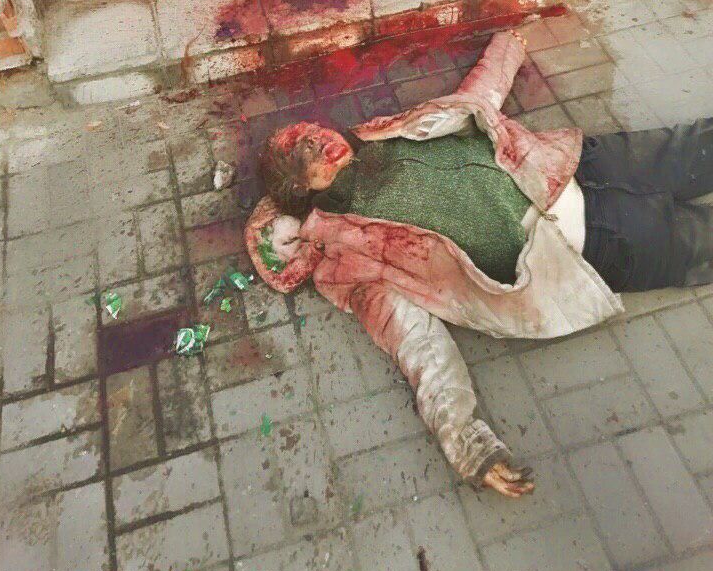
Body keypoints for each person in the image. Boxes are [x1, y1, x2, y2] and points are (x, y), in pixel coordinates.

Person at [244, 30, 713, 499]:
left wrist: (508, 46)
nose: (320, 141)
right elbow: (416, 342)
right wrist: (467, 442)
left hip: (569, 164)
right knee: (698, 239)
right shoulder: (350, 259)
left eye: (312, 132)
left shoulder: (379, 135)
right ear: (300, 190)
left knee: (695, 147)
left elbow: (471, 102)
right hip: (582, 241)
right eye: (304, 152)